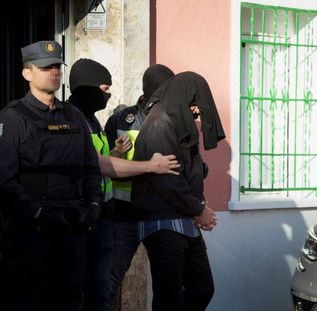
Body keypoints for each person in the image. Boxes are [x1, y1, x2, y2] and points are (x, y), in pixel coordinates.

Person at [67, 59, 179, 311]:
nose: (108, 95)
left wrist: (117, 152)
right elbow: (101, 166)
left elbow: (105, 162)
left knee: (165, 285)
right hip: (110, 215)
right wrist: (151, 166)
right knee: (100, 285)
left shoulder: (92, 120)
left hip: (150, 214)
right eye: (105, 89)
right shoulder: (91, 120)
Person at [0, 40, 102, 310]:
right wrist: (38, 214)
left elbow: (91, 168)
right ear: (27, 73)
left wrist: (92, 207)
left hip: (73, 227)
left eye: (57, 66)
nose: (54, 72)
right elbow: (5, 180)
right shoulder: (13, 118)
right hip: (33, 231)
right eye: (46, 67)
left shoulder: (75, 116)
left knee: (70, 299)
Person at [131, 71, 226, 311]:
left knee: (202, 288)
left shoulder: (175, 120)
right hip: (163, 223)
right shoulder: (160, 123)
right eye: (194, 103)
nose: (197, 111)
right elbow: (167, 180)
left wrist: (198, 206)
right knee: (169, 296)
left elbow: (186, 170)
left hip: (184, 220)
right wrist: (199, 209)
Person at [103, 64, 175, 307]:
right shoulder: (122, 119)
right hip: (125, 215)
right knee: (109, 280)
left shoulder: (174, 118)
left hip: (160, 215)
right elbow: (106, 160)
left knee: (167, 284)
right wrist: (119, 153)